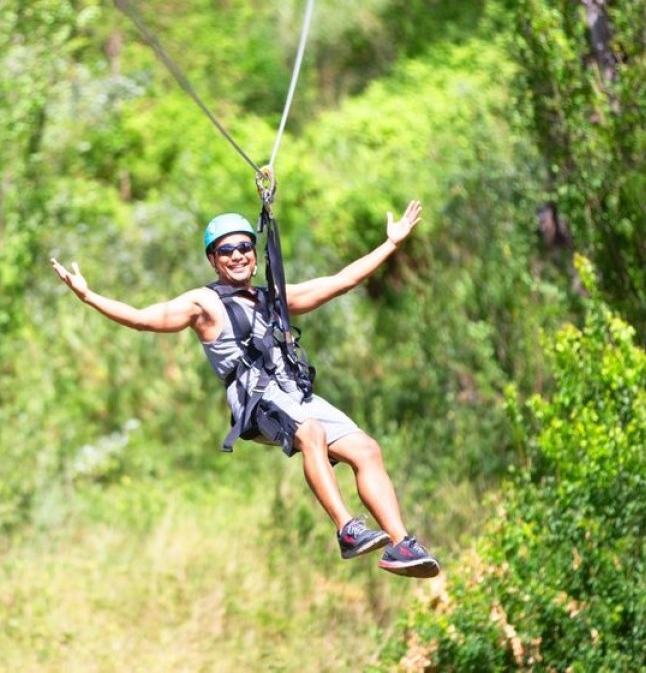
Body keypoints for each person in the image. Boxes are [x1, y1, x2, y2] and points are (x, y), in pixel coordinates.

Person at [50, 200, 439, 578]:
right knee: (311, 432)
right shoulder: (204, 303)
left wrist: (391, 244)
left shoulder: (272, 298)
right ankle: (346, 529)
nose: (237, 256)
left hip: (294, 393)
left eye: (244, 247)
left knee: (366, 448)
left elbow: (340, 283)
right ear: (213, 259)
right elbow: (142, 319)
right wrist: (89, 297)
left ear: (254, 253)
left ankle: (401, 545)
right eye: (225, 250)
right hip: (256, 398)